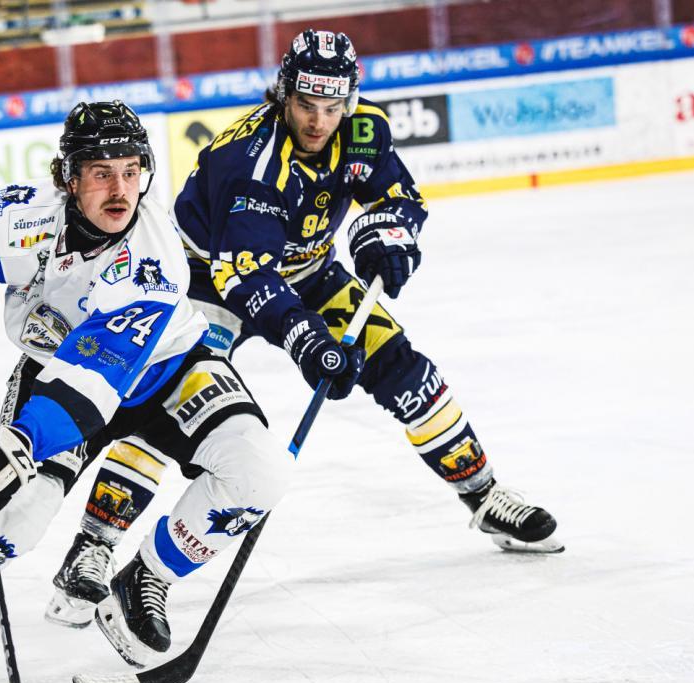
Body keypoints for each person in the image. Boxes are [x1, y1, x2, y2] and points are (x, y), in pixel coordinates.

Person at [42, 29, 563, 630]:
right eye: (306, 105)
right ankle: (94, 546)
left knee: (404, 369)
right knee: (175, 405)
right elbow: (247, 276)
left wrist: (389, 233)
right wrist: (306, 338)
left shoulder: (364, 131)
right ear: (284, 95)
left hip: (309, 271)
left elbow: (399, 197)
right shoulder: (250, 162)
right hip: (204, 279)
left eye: (332, 107)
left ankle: (485, 496)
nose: (319, 121)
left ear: (349, 101)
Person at [0, 101, 326, 683]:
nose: (120, 191)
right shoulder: (23, 219)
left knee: (261, 471)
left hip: (166, 369)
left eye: (131, 171)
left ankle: (145, 577)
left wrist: (19, 444)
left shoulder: (154, 264)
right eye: (101, 173)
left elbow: (97, 380)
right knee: (15, 512)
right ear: (68, 177)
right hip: (58, 369)